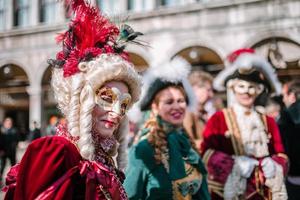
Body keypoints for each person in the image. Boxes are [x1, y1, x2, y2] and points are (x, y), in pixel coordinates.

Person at [3, 0, 142, 199]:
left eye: (123, 104)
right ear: (79, 97)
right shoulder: (58, 152)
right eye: (106, 98)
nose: (117, 111)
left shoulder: (101, 158)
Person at [202, 49, 288, 199]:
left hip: (263, 190)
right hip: (230, 192)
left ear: (258, 90)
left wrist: (274, 164)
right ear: (233, 88)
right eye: (241, 86)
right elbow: (206, 153)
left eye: (251, 87)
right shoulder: (218, 118)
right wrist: (233, 164)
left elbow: (281, 153)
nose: (246, 92)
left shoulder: (268, 121)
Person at [124, 58, 210, 200]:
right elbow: (130, 195)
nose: (177, 107)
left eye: (180, 101)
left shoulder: (186, 144)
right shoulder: (143, 149)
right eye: (169, 102)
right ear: (155, 106)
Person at [278, 80, 300, 200]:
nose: (283, 100)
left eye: (284, 96)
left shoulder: (286, 116)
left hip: (295, 180)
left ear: (292, 95)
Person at [184, 70, 214, 148]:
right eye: (208, 90)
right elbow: (188, 145)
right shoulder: (187, 114)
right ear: (195, 89)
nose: (211, 94)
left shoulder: (202, 113)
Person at [0, 117, 18, 183]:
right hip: (4, 152)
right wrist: (1, 150)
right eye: (7, 122)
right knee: (2, 167)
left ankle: (14, 180)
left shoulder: (14, 131)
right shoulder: (2, 131)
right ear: (4, 123)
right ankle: (0, 180)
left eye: (10, 123)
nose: (9, 124)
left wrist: (15, 146)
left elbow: (17, 140)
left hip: (12, 152)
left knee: (13, 167)